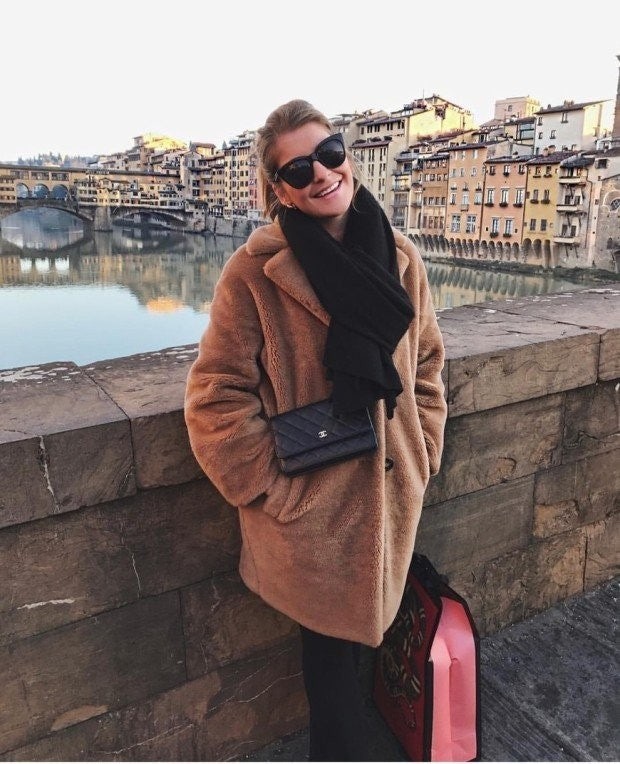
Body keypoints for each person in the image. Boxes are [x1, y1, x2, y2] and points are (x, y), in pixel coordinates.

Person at [184, 99, 448, 761]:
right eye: (299, 169)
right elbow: (215, 399)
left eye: (330, 154)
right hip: (312, 529)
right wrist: (276, 493)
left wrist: (423, 451)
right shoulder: (253, 275)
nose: (323, 174)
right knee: (332, 693)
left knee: (369, 670)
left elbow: (427, 366)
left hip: (391, 501)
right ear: (279, 190)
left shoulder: (401, 258)